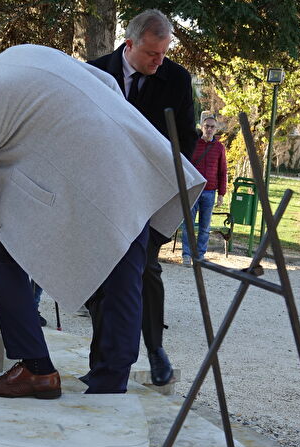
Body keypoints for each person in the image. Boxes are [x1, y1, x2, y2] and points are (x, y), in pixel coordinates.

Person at [0, 45, 204, 397]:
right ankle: (109, 383)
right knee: (124, 269)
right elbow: (104, 81)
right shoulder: (18, 54)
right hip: (129, 157)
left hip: (90, 176)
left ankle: (37, 369)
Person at [86, 9, 198, 387]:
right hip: (102, 190)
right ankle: (101, 359)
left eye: (164, 53)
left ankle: (155, 349)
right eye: (152, 54)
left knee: (145, 267)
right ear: (129, 44)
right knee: (103, 270)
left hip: (151, 190)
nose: (159, 61)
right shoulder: (95, 72)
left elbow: (186, 140)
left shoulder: (176, 80)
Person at [181, 114, 228, 265]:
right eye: (206, 126)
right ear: (202, 127)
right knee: (188, 224)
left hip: (209, 191)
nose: (209, 129)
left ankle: (200, 256)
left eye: (212, 127)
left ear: (216, 129)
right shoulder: (194, 144)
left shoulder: (219, 148)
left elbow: (222, 171)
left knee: (204, 227)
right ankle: (187, 255)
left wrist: (221, 194)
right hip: (193, 189)